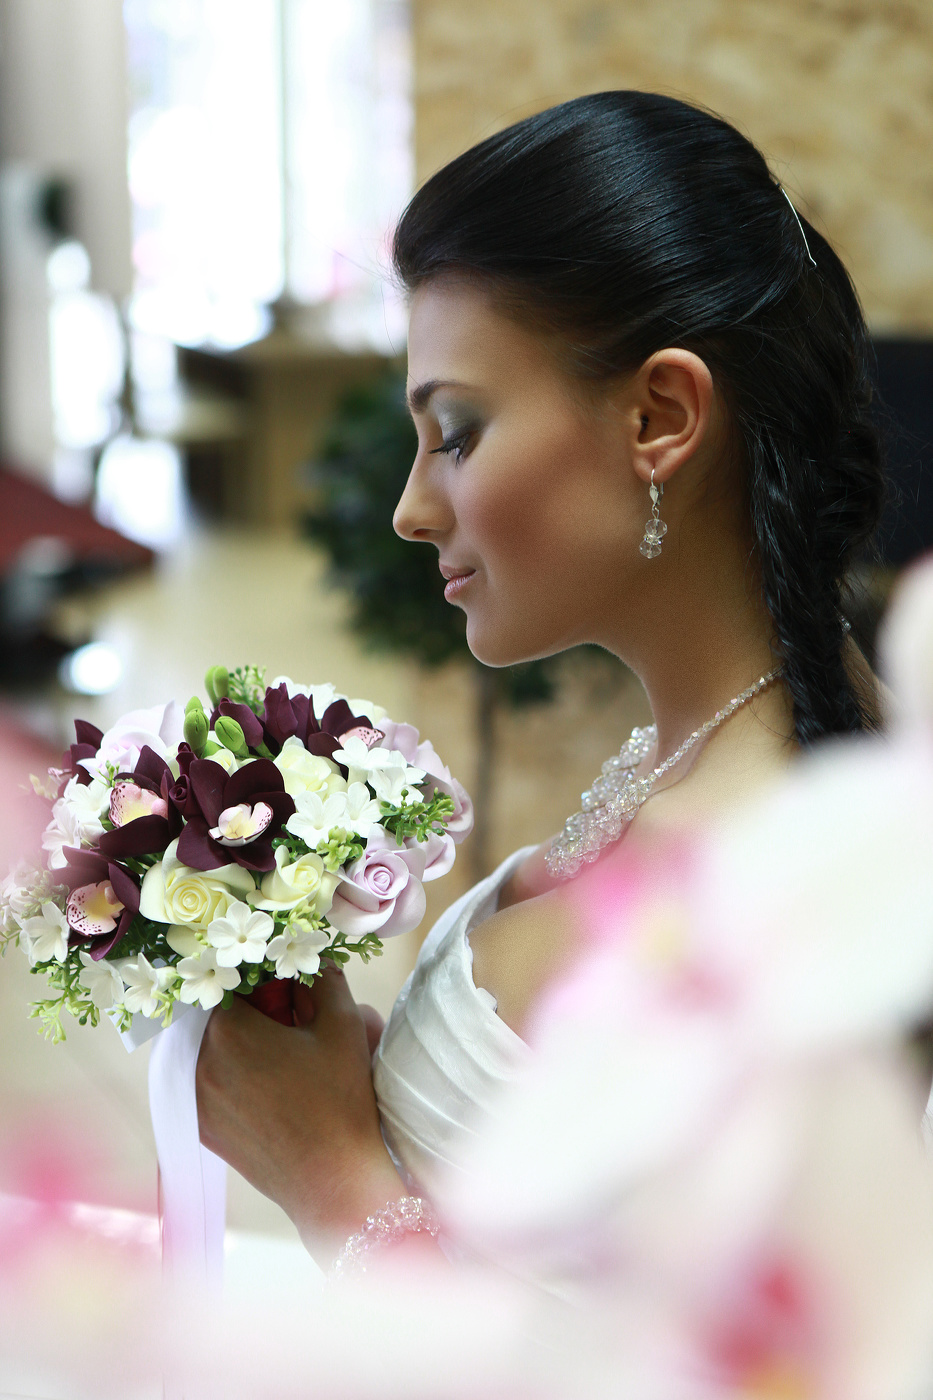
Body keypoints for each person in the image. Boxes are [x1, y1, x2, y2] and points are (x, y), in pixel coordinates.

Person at [195, 90, 885, 1271]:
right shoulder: (727, 748)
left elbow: (674, 1351)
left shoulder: (730, 891)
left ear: (659, 416)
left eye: (457, 432)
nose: (413, 509)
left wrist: (331, 1176)